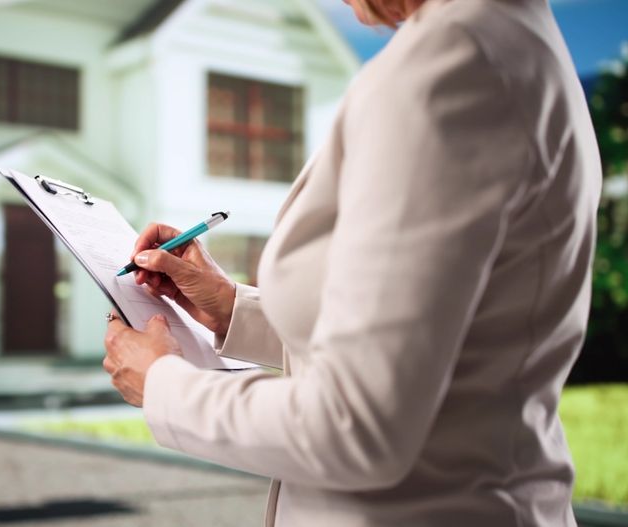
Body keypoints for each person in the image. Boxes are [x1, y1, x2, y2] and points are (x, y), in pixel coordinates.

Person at [101, 0, 602, 525]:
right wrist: (230, 308)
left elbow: (355, 426)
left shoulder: (449, 69)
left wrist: (162, 384)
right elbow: (434, 336)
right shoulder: (515, 43)